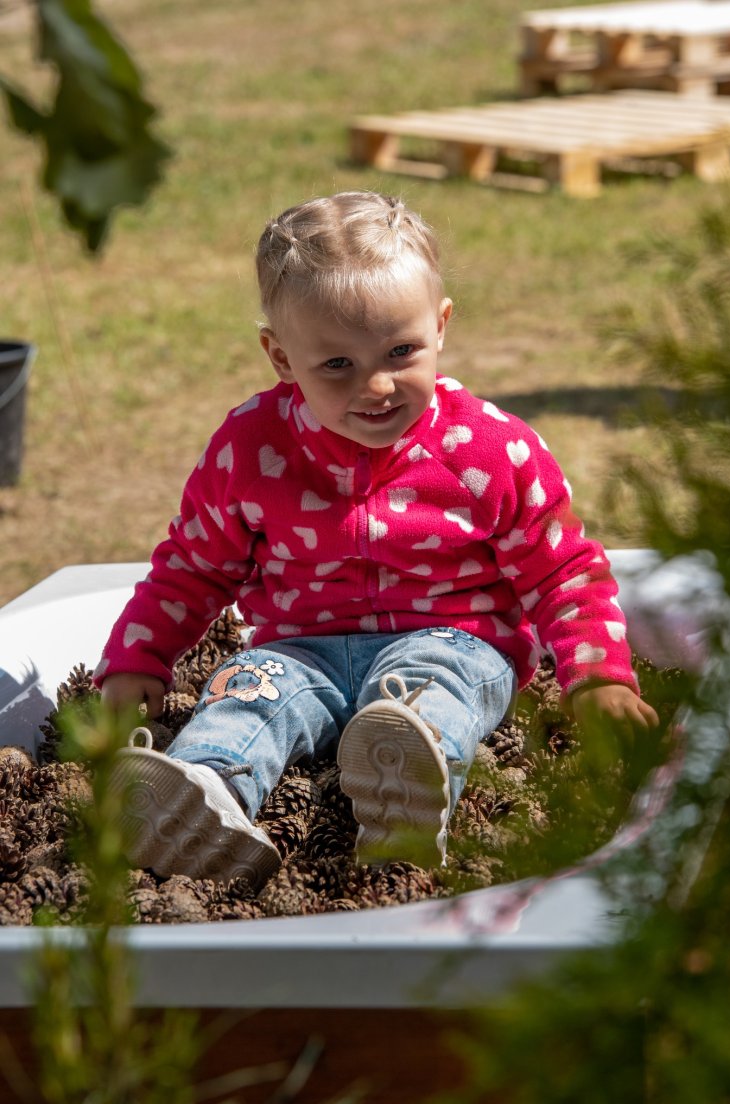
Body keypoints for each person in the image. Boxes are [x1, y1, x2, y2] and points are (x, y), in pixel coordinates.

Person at [98, 190, 658, 891]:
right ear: (280, 356)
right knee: (246, 694)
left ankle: (409, 797)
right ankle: (201, 793)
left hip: (454, 639)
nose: (378, 385)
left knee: (432, 687)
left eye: (401, 350)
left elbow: (561, 570)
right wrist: (139, 657)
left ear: (441, 326)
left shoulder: (489, 449)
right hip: (300, 651)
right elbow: (193, 565)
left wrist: (597, 676)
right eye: (337, 365)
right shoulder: (251, 448)